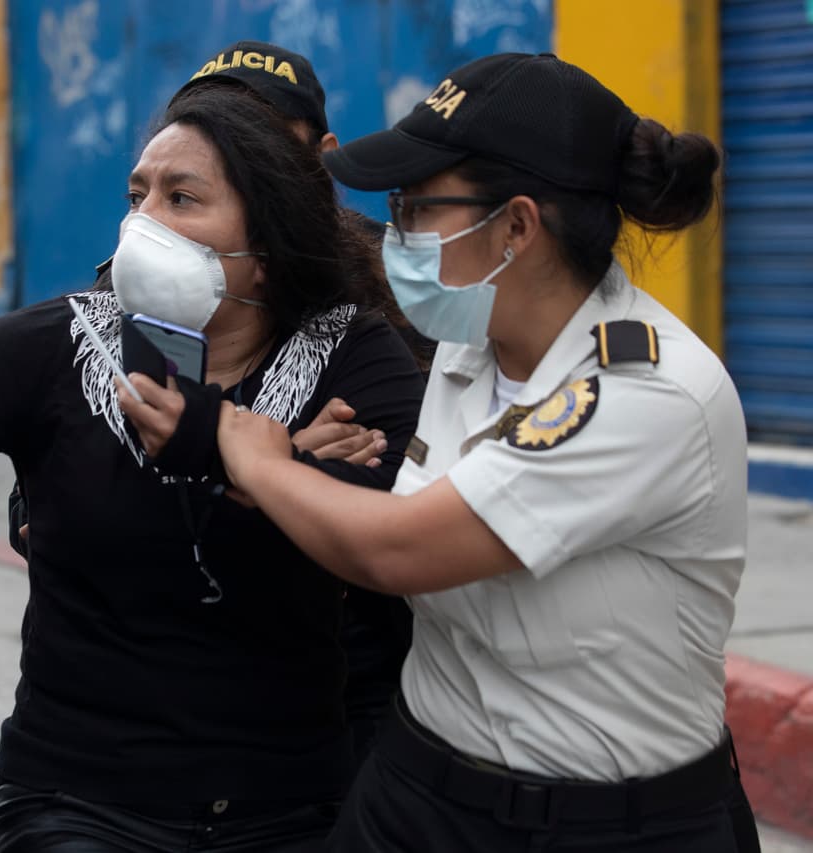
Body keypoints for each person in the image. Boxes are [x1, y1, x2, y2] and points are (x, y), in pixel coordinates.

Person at [0, 82, 424, 851]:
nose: (143, 224)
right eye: (137, 197)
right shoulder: (66, 342)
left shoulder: (354, 354)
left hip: (289, 803)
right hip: (79, 800)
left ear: (264, 245)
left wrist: (257, 464)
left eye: (180, 198)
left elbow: (393, 530)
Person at [214, 52, 761, 851]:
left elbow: (399, 549)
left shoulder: (642, 389)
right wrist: (309, 467)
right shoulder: (470, 346)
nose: (395, 233)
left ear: (517, 226)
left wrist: (259, 460)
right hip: (417, 791)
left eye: (416, 207)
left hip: (609, 825)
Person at [6, 39, 427, 763]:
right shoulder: (145, 281)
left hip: (360, 674)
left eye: (262, 136)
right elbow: (84, 466)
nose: (234, 149)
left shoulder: (399, 285)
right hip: (167, 690)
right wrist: (279, 464)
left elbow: (407, 475)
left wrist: (292, 480)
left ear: (322, 157)